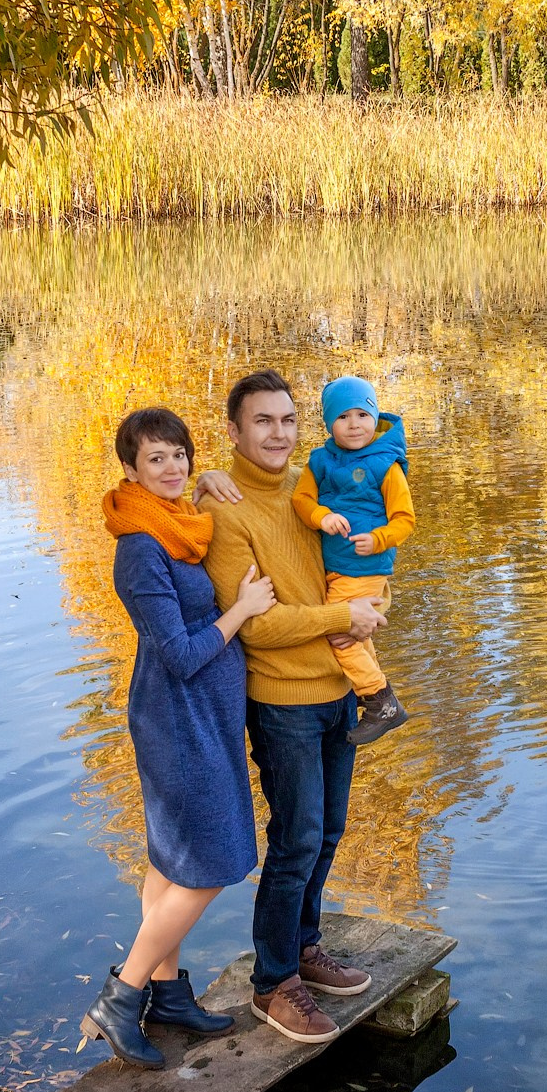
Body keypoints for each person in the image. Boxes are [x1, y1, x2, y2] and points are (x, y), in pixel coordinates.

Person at [80, 406, 278, 1070]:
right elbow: (182, 652)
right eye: (155, 458)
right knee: (211, 860)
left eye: (179, 454)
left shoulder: (173, 525)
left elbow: (197, 504)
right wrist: (242, 611)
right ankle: (122, 994)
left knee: (168, 860)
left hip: (201, 717)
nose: (172, 468)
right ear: (130, 468)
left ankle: (165, 992)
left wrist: (211, 480)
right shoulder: (139, 547)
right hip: (178, 718)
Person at [199, 370, 386, 1044]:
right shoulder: (226, 511)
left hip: (338, 690)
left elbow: (377, 490)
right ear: (234, 430)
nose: (277, 433)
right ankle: (273, 982)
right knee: (296, 839)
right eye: (262, 421)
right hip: (282, 702)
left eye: (286, 420)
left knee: (329, 831)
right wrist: (344, 613)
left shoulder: (314, 489)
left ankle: (305, 945)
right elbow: (255, 625)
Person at [293, 375, 415, 741]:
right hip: (335, 566)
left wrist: (378, 539)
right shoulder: (320, 461)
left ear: (374, 418)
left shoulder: (385, 464)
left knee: (337, 631)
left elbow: (405, 520)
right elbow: (302, 500)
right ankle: (371, 687)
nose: (354, 424)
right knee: (357, 639)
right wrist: (321, 517)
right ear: (329, 423)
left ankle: (380, 699)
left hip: (363, 566)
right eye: (343, 416)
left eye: (362, 415)